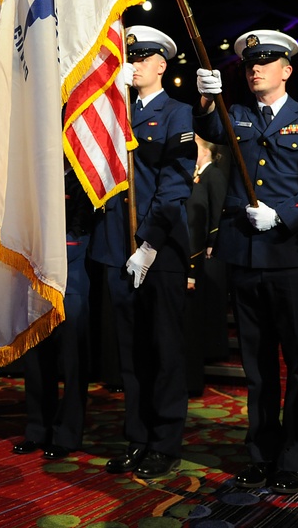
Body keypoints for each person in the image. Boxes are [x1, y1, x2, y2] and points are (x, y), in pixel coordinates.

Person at [194, 30, 298, 494]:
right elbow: (209, 128)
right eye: (250, 62)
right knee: (257, 367)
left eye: (266, 60)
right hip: (244, 255)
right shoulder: (234, 115)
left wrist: (283, 214)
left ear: (287, 69)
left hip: (292, 256)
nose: (255, 67)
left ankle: (294, 455)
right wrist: (204, 98)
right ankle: (261, 452)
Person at [90, 25, 196, 479]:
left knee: (164, 349)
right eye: (128, 55)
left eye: (142, 56)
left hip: (159, 250)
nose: (132, 63)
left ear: (160, 65)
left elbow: (173, 187)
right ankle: (138, 437)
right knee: (129, 352)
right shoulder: (113, 115)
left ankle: (165, 442)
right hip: (115, 247)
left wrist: (149, 244)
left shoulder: (178, 113)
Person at [13, 159, 96, 459]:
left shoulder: (82, 179)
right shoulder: (33, 179)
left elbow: (81, 231)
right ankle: (38, 429)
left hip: (69, 279)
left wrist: (49, 258)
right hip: (34, 279)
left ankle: (68, 433)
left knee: (72, 362)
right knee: (36, 360)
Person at [183, 135, 228, 395]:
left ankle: (213, 346)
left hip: (208, 248)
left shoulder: (214, 175)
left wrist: (213, 239)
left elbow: (217, 209)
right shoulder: (199, 175)